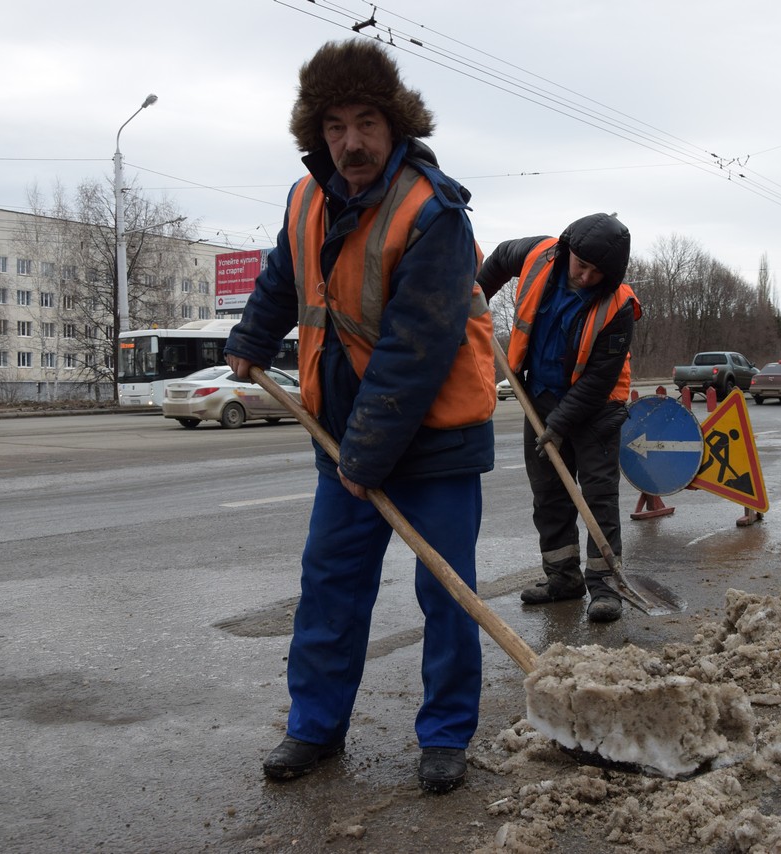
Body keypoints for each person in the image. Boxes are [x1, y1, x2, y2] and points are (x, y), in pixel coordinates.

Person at [223, 38, 497, 793]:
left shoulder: (434, 212)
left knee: (446, 593)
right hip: (345, 438)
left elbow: (416, 351)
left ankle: (444, 736)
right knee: (330, 585)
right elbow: (284, 277)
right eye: (335, 125)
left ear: (396, 123)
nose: (351, 142)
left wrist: (365, 454)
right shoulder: (306, 197)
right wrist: (249, 338)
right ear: (316, 132)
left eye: (367, 122)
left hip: (434, 439)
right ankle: (314, 726)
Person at [476, 213, 640, 623]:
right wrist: (474, 296)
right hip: (541, 396)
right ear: (567, 250)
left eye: (596, 273)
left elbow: (599, 380)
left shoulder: (619, 306)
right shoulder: (538, 254)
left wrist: (559, 426)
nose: (585, 277)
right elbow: (497, 260)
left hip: (598, 407)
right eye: (581, 265)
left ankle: (606, 587)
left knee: (598, 496)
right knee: (549, 494)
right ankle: (563, 579)